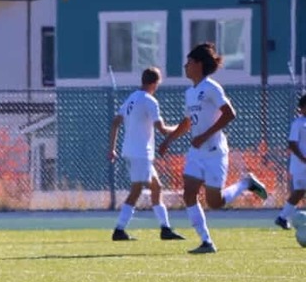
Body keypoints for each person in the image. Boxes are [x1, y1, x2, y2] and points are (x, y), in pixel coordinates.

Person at [158, 42, 268, 253]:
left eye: (189, 62)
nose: (185, 66)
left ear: (199, 64)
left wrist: (205, 135)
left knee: (215, 202)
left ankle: (246, 183)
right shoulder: (190, 92)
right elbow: (188, 122)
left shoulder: (211, 87)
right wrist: (169, 139)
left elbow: (230, 113)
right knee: (188, 194)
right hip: (196, 153)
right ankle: (206, 241)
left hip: (215, 152)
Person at [107, 66, 184, 241]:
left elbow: (115, 122)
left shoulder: (132, 98)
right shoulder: (149, 100)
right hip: (140, 153)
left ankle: (165, 229)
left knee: (156, 187)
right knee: (136, 191)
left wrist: (112, 148)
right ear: (154, 83)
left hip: (133, 151)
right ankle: (119, 229)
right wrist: (181, 128)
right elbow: (162, 129)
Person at [275, 93, 306, 229]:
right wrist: (303, 158)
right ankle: (282, 217)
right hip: (300, 165)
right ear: (302, 108)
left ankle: (282, 217)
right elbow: (292, 143)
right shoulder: (298, 123)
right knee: (299, 191)